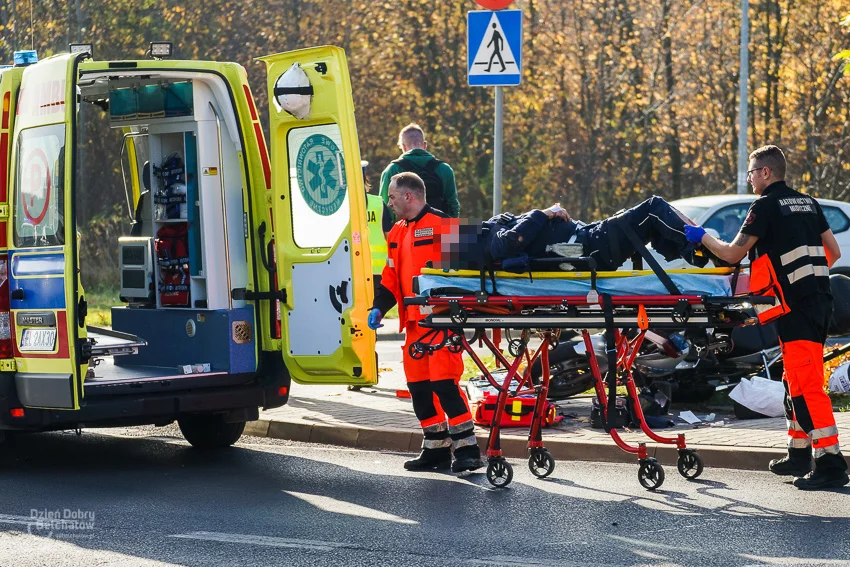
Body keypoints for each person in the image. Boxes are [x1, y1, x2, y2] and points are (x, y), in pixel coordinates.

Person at [685, 145, 848, 490]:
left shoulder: (765, 206)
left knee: (806, 388)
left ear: (765, 173)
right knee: (792, 380)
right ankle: (799, 454)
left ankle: (831, 464)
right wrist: (806, 282)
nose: (749, 179)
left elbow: (732, 253)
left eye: (750, 172)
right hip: (817, 303)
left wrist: (702, 237)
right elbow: (832, 252)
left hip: (797, 310)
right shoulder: (808, 203)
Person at [368, 171, 483, 473]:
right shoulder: (396, 232)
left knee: (445, 385)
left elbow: (466, 276)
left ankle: (468, 449)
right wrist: (379, 307)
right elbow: (391, 277)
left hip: (442, 323)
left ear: (408, 196)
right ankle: (436, 449)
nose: (389, 202)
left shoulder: (444, 225)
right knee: (419, 390)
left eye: (392, 196)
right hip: (415, 328)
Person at [447, 196, 710, 272]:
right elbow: (512, 242)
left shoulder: (492, 229)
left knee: (650, 221)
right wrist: (544, 213)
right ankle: (706, 248)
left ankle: (695, 251)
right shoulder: (490, 240)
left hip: (587, 240)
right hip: (588, 247)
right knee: (653, 208)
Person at [379, 123, 460, 218]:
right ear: (425, 145)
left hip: (406, 230)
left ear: (404, 147)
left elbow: (384, 209)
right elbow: (453, 205)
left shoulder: (392, 170)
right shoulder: (445, 169)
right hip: (439, 230)